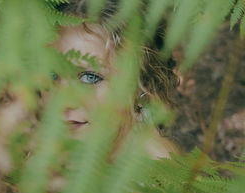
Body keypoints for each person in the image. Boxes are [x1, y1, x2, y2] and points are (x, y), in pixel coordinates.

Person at [51, 0, 179, 159]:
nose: (62, 102)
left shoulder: (156, 173)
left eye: (90, 78)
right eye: (53, 76)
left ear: (141, 84)